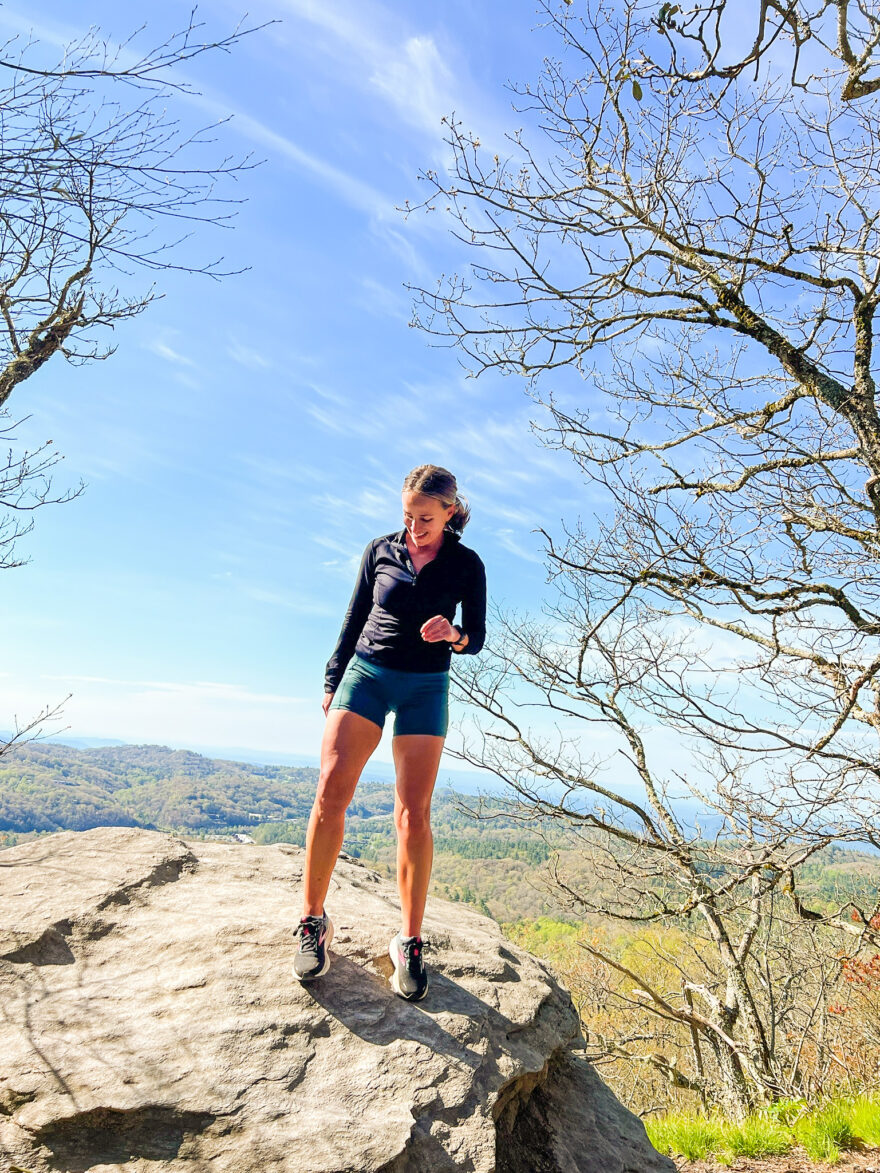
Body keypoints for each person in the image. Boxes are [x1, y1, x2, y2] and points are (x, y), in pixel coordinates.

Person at [293, 464, 486, 1001]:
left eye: (425, 517)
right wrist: (334, 679)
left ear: (450, 512)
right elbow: (354, 615)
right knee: (331, 794)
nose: (413, 526)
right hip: (368, 675)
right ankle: (312, 922)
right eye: (406, 514)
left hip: (426, 686)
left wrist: (454, 634)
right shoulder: (380, 549)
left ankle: (409, 940)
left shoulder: (467, 564)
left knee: (413, 813)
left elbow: (478, 636)